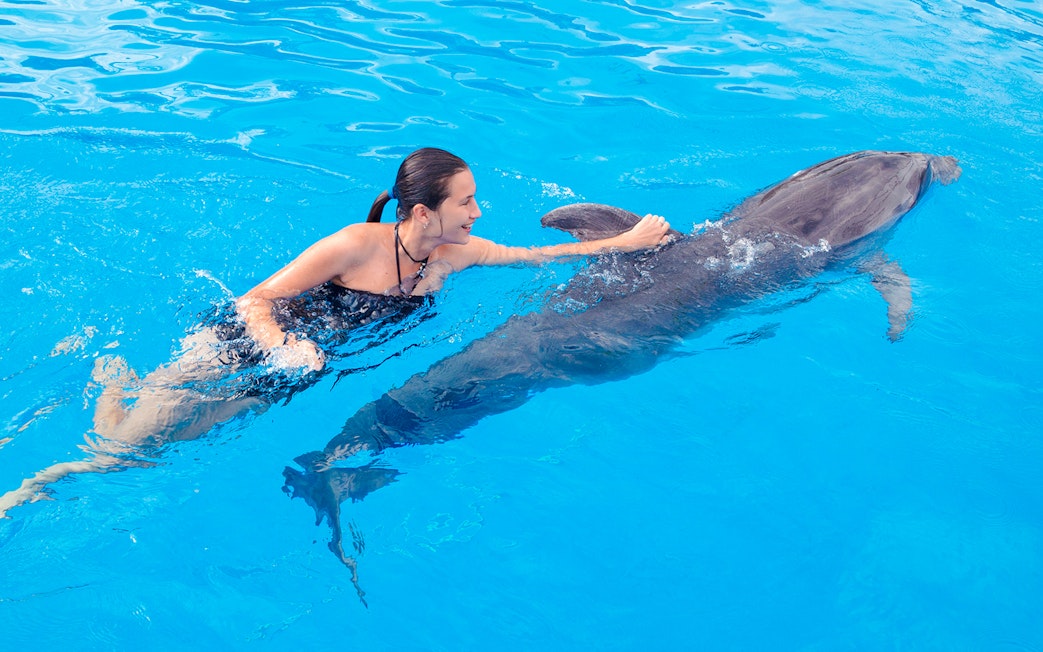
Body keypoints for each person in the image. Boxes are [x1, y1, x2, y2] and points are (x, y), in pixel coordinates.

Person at [0, 147, 670, 518]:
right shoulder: (353, 244)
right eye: (465, 201)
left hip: (294, 374)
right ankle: (29, 488)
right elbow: (256, 301)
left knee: (161, 449)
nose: (477, 211)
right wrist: (282, 346)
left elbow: (537, 256)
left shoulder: (454, 255)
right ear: (421, 212)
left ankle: (114, 381)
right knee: (118, 452)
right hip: (240, 346)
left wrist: (627, 241)